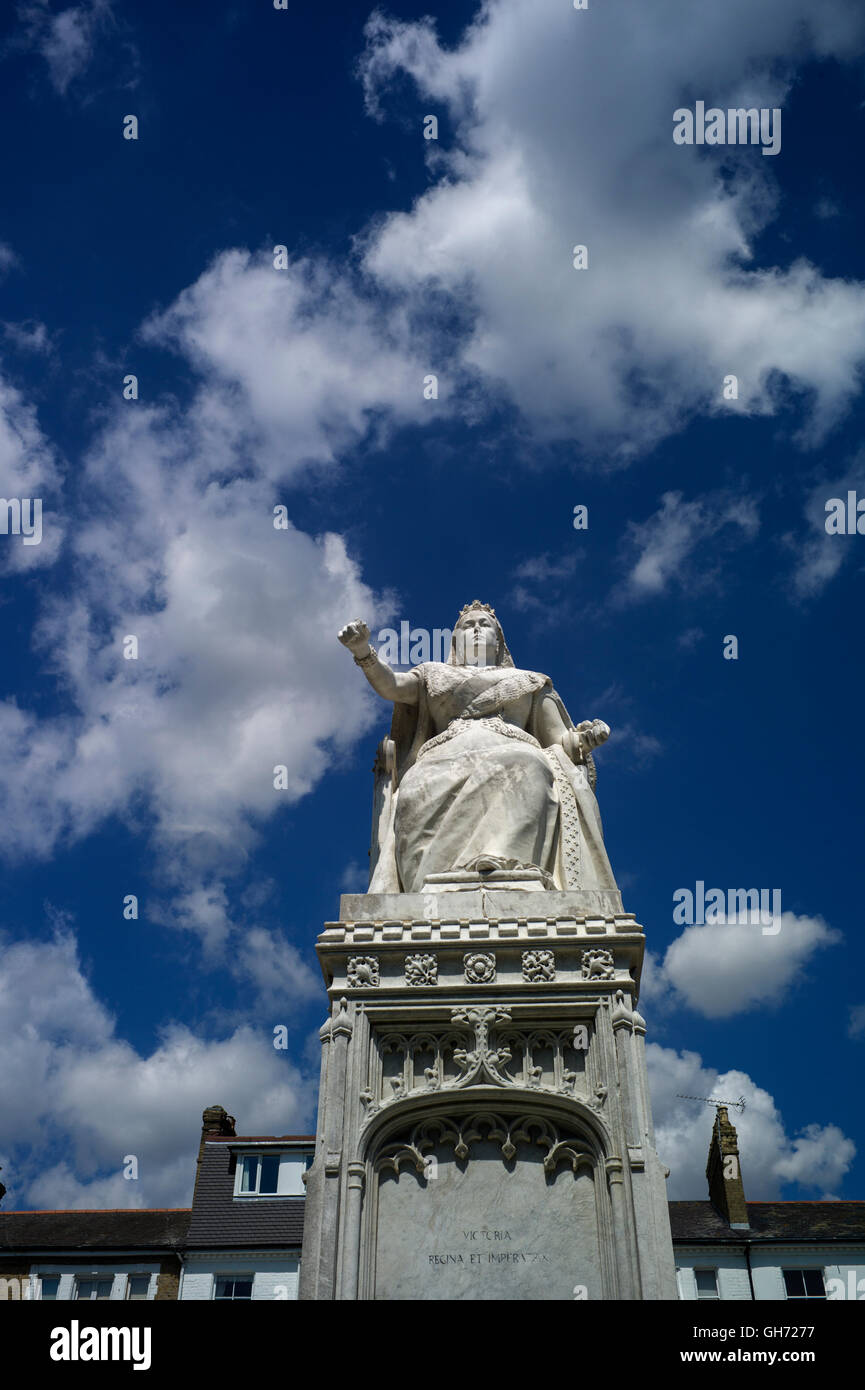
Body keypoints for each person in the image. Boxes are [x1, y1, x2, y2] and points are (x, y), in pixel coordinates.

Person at [338, 602, 618, 896]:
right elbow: (392, 685)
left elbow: (560, 740)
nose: (475, 630)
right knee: (415, 785)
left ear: (498, 641)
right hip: (441, 758)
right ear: (455, 639)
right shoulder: (433, 674)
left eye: (484, 625)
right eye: (466, 626)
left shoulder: (531, 681)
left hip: (514, 751)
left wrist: (584, 741)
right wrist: (363, 651)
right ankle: (432, 883)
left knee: (528, 765)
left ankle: (508, 870)